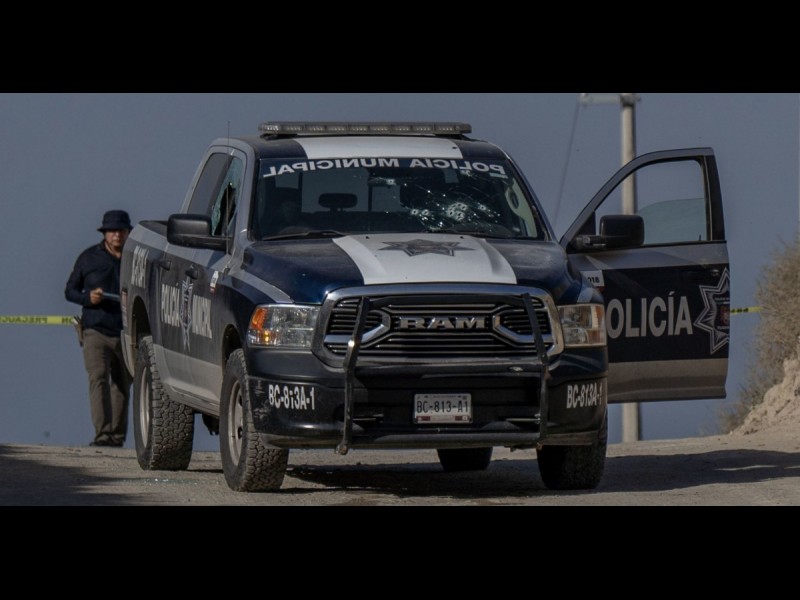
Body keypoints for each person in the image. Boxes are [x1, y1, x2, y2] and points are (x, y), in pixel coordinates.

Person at [65, 210, 134, 447]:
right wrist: (88, 298)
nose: (117, 235)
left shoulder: (135, 260)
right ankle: (103, 434)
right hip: (95, 331)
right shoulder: (88, 258)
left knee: (122, 384)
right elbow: (70, 291)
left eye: (121, 230)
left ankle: (117, 436)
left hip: (126, 333)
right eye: (112, 231)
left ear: (127, 232)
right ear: (104, 233)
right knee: (98, 378)